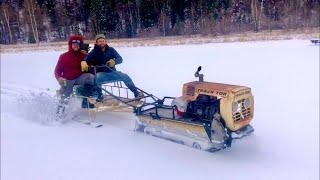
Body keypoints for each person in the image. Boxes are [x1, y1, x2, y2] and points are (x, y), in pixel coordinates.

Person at [82, 34, 142, 100]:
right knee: (97, 78)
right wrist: (84, 62)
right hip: (101, 74)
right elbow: (86, 59)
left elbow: (120, 59)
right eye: (100, 41)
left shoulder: (111, 50)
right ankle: (99, 96)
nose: (102, 42)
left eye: (103, 41)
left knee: (125, 76)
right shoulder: (94, 52)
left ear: (105, 42)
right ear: (96, 42)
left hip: (112, 72)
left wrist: (114, 61)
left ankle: (136, 93)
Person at [54, 35, 95, 109]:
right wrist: (59, 78)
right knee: (65, 96)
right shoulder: (63, 56)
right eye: (74, 45)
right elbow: (57, 70)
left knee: (90, 77)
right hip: (68, 79)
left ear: (80, 45)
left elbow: (92, 64)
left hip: (80, 77)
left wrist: (88, 65)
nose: (76, 46)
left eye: (77, 45)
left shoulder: (84, 55)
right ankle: (60, 113)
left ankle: (87, 100)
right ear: (70, 45)